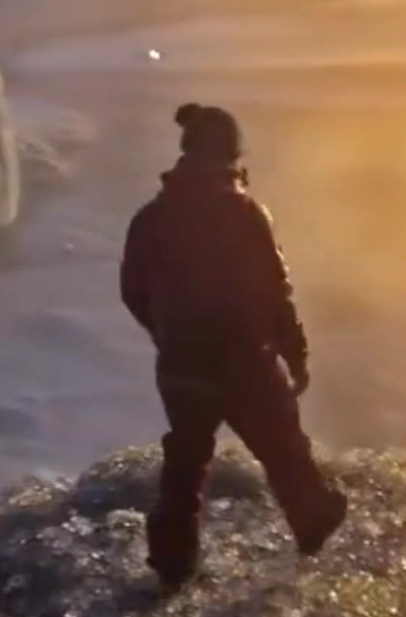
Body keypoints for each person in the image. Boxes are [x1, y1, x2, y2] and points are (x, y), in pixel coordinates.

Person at [119, 102, 349, 586]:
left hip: (181, 365)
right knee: (284, 448)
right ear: (228, 153)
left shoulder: (150, 219)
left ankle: (172, 559)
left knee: (185, 459)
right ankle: (312, 522)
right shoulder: (246, 214)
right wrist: (295, 354)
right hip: (245, 362)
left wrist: (167, 333)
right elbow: (275, 291)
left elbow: (133, 291)